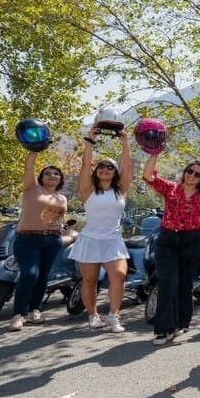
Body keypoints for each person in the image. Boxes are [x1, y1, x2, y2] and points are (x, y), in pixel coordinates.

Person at [142, 155, 200, 346]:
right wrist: (155, 153)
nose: (192, 175)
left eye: (197, 174)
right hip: (167, 241)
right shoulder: (171, 188)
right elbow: (148, 176)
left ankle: (181, 323)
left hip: (193, 242)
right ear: (185, 172)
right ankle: (163, 330)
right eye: (189, 171)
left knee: (184, 284)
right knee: (167, 283)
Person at [70, 125, 133, 333]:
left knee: (119, 276)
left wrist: (124, 141)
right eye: (101, 166)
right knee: (89, 281)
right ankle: (93, 316)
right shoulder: (87, 190)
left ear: (115, 172)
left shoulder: (121, 190)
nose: (105, 169)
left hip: (113, 240)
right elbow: (85, 164)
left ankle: (114, 316)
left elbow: (128, 165)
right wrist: (90, 140)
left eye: (110, 167)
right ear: (96, 171)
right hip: (90, 239)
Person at [7, 155, 67, 331]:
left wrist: (65, 232)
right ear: (41, 177)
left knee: (43, 276)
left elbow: (56, 219)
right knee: (29, 274)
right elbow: (29, 168)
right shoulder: (32, 189)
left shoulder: (62, 198)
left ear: (60, 179)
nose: (52, 175)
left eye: (56, 173)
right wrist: (33, 150)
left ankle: (35, 310)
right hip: (28, 239)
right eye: (48, 173)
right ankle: (18, 314)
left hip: (52, 240)